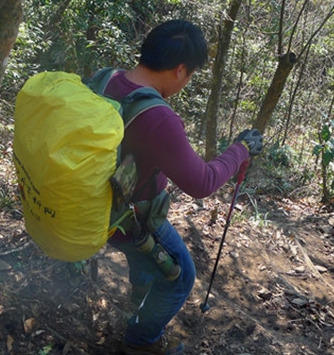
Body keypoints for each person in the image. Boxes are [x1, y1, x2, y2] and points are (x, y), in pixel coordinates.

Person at [96, 19, 263, 355]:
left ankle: (137, 298)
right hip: (128, 219)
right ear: (180, 70)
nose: (186, 82)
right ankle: (141, 342)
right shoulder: (157, 117)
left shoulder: (105, 79)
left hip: (95, 207)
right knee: (182, 276)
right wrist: (240, 149)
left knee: (142, 261)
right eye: (190, 75)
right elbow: (202, 182)